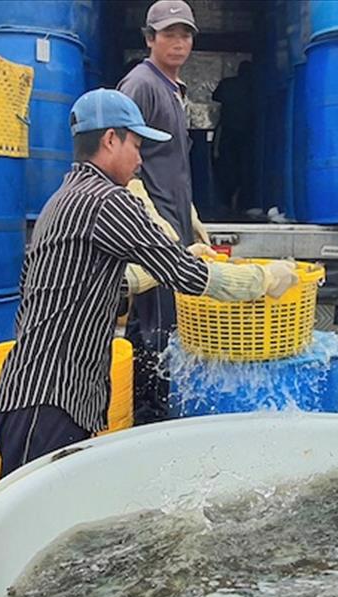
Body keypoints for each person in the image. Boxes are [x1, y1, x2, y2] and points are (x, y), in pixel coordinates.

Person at [0, 89, 298, 475]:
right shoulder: (106, 201)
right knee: (31, 527)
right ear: (109, 140)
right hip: (47, 402)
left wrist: (180, 258)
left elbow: (97, 286)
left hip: (37, 396)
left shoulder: (64, 199)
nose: (140, 160)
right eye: (136, 145)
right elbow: (187, 277)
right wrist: (264, 279)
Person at [117, 0, 209, 425]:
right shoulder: (141, 84)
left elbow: (169, 161)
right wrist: (152, 218)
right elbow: (120, 154)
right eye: (168, 33)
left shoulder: (174, 88)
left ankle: (155, 409)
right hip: (152, 233)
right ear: (149, 38)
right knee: (155, 329)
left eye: (185, 33)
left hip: (173, 225)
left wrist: (189, 215)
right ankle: (148, 420)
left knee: (162, 323)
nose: (178, 42)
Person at [212, 60, 255, 211]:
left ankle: (226, 200)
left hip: (227, 129)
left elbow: (214, 97)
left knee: (224, 163)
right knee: (244, 165)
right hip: (247, 132)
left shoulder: (228, 84)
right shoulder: (253, 87)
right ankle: (240, 200)